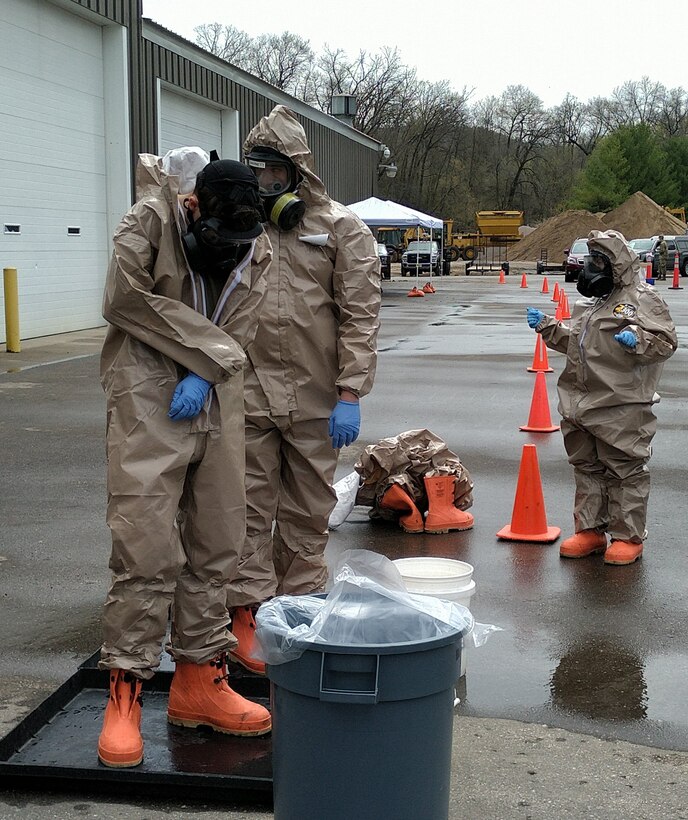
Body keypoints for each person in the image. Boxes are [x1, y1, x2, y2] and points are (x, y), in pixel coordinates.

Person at [97, 148, 273, 768]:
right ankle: (126, 692)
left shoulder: (258, 241)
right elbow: (122, 299)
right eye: (218, 234)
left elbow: (244, 324)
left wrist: (207, 368)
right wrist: (202, 355)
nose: (231, 247)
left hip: (215, 392)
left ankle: (200, 681)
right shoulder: (148, 222)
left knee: (218, 537)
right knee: (145, 545)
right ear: (192, 205)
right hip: (147, 388)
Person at [226, 105, 381, 673]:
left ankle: (298, 612)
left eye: (274, 174)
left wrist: (349, 392)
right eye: (256, 173)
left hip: (317, 400)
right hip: (248, 394)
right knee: (244, 510)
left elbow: (360, 316)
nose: (265, 186)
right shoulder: (242, 226)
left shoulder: (341, 229)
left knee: (306, 514)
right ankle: (247, 617)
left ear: (297, 172)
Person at [526, 229, 677, 566]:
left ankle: (627, 536)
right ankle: (590, 530)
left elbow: (666, 343)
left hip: (621, 405)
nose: (592, 268)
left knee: (625, 471)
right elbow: (580, 346)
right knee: (588, 468)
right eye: (591, 260)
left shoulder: (644, 300)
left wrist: (637, 340)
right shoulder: (591, 304)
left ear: (617, 264)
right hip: (581, 406)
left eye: (599, 261)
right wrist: (550, 327)